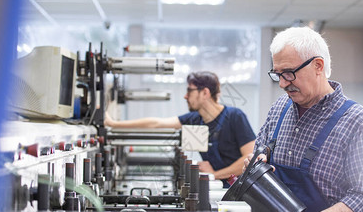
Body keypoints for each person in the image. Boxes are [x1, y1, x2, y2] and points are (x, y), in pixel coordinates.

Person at [244, 27, 363, 212]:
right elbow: (258, 156)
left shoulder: (358, 121)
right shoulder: (278, 110)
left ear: (318, 65)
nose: (283, 83)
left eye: (289, 73)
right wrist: (254, 171)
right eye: (278, 74)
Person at [105, 71, 256, 186]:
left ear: (205, 93)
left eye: (189, 91)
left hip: (242, 190)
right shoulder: (195, 119)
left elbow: (249, 158)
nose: (185, 96)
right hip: (218, 190)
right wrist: (113, 124)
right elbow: (156, 123)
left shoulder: (235, 116)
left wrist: (215, 174)